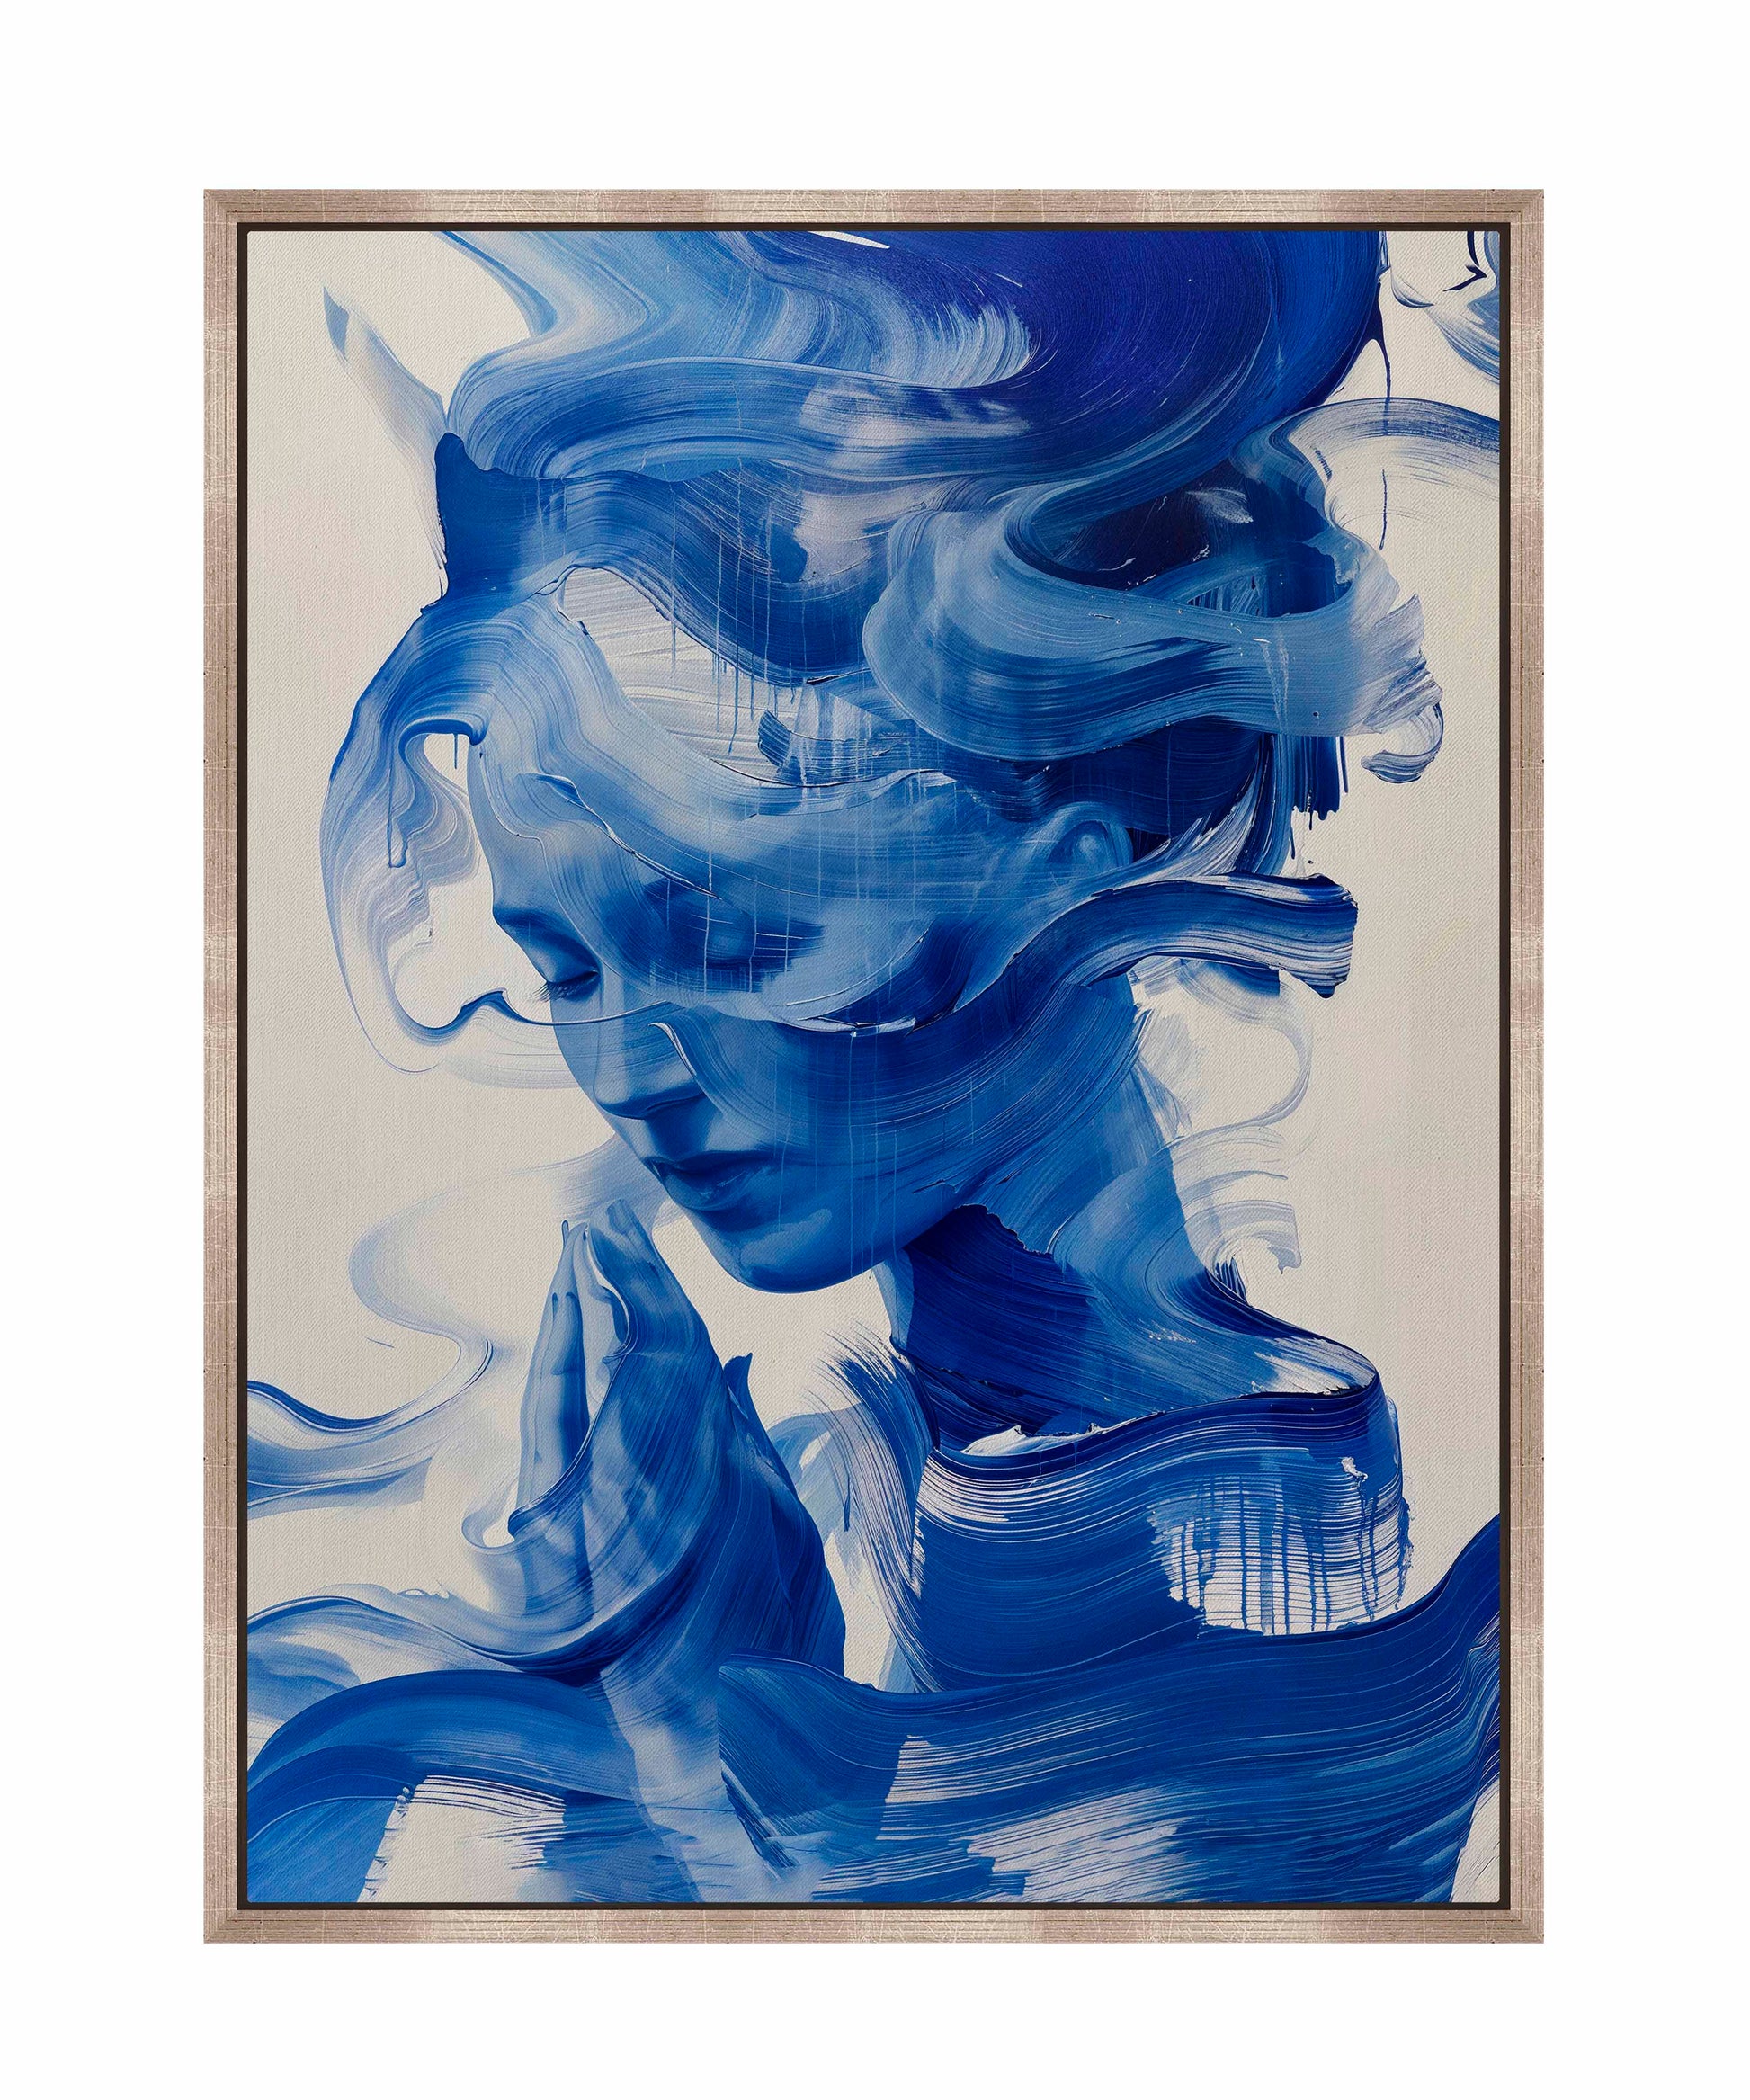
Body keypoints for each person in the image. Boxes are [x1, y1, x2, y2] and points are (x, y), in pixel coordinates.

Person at [248, 229, 1500, 1904]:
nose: (632, 1068)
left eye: (738, 939)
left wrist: (684, 1803)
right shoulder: (822, 1459)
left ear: (1063, 877)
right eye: (564, 964)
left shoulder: (1246, 1535)